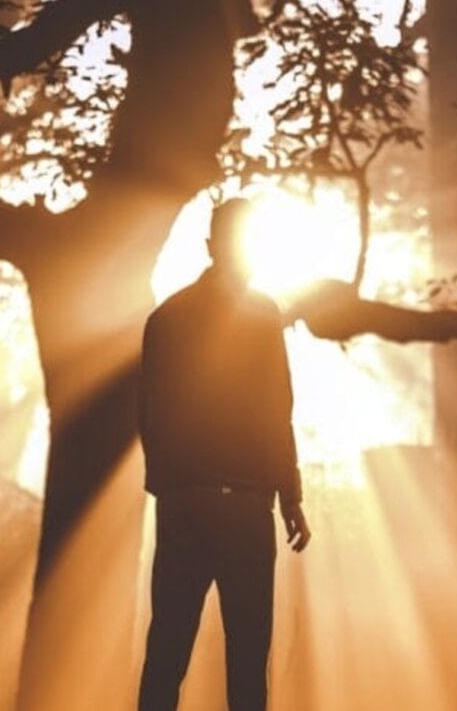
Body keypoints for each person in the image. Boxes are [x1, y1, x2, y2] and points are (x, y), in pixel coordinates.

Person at [137, 197, 311, 711]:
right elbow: (276, 408)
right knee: (247, 663)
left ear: (211, 247)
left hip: (185, 504)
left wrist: (170, 488)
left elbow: (149, 412)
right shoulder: (262, 315)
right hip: (245, 508)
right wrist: (290, 496)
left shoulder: (166, 317)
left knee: (166, 654)